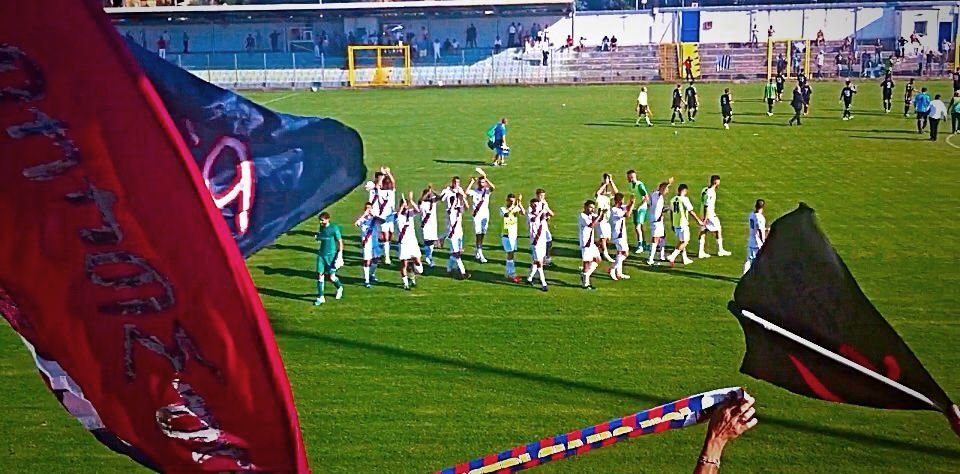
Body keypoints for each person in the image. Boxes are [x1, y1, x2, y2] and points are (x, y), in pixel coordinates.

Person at [667, 184, 704, 266]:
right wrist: (698, 220)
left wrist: (672, 223)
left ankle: (684, 258)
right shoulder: (684, 199)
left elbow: (671, 212)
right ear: (685, 191)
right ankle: (672, 256)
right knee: (685, 241)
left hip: (676, 223)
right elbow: (691, 211)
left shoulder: (673, 199)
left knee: (681, 241)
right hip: (683, 223)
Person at [440, 176, 469, 279]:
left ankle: (449, 269)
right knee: (456, 253)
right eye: (455, 182)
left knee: (457, 253)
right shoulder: (450, 211)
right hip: (452, 233)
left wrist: (462, 198)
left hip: (459, 232)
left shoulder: (459, 210)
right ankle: (463, 272)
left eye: (458, 182)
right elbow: (442, 199)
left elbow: (466, 206)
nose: (457, 184)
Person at [313, 212, 344, 306]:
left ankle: (339, 288)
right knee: (320, 274)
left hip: (331, 256)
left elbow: (340, 241)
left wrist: (340, 254)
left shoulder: (334, 228)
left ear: (327, 219)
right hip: (321, 254)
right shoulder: (321, 227)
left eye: (322, 220)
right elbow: (323, 236)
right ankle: (321, 297)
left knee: (331, 277)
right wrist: (318, 237)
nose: (320, 222)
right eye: (320, 220)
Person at [698, 175, 732, 258]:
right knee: (718, 229)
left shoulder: (704, 189)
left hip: (702, 213)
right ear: (716, 182)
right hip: (709, 215)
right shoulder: (711, 192)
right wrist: (706, 217)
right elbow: (706, 205)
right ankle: (720, 250)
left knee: (703, 231)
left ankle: (700, 251)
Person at [396, 192, 425, 290]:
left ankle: (412, 274)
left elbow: (418, 211)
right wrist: (402, 207)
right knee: (404, 263)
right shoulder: (397, 215)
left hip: (413, 242)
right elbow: (397, 215)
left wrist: (411, 201)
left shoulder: (410, 213)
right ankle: (406, 284)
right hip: (403, 243)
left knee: (418, 264)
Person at [467, 171, 496, 263]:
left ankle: (478, 250)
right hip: (477, 215)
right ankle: (480, 253)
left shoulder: (487, 192)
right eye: (480, 182)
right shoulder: (475, 192)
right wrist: (471, 182)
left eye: (483, 182)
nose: (482, 184)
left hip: (485, 214)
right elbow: (466, 192)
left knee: (483, 233)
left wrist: (486, 178)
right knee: (478, 233)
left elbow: (493, 187)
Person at [646, 178, 674, 266]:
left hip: (658, 220)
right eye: (666, 189)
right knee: (655, 239)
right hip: (656, 221)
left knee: (662, 236)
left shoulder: (657, 196)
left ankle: (662, 255)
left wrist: (666, 208)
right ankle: (650, 259)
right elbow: (662, 190)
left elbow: (658, 207)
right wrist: (668, 183)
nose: (667, 190)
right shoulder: (657, 195)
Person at [355, 202, 383, 288]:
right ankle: (366, 281)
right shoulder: (362, 219)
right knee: (367, 261)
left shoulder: (375, 218)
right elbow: (356, 224)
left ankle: (371, 274)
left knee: (376, 260)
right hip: (366, 243)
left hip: (375, 242)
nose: (368, 209)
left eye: (370, 208)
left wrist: (374, 215)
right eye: (367, 208)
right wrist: (364, 215)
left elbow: (382, 221)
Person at [608, 192, 635, 280]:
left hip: (621, 234)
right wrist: (632, 204)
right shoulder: (614, 210)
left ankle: (619, 273)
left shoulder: (620, 208)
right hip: (618, 235)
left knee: (620, 253)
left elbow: (627, 207)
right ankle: (612, 268)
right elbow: (627, 214)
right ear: (619, 201)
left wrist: (631, 202)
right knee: (625, 253)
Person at [526, 198, 549, 292]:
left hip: (542, 241)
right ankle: (543, 283)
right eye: (534, 205)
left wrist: (544, 207)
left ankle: (529, 278)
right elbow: (535, 219)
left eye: (536, 205)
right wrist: (542, 211)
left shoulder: (541, 214)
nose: (535, 207)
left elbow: (548, 216)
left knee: (538, 261)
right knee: (539, 262)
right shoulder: (530, 214)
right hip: (535, 241)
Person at [578, 200, 602, 290]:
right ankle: (586, 284)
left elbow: (599, 219)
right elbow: (591, 225)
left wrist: (602, 213)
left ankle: (585, 275)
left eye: (593, 208)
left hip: (591, 243)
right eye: (590, 207)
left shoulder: (590, 215)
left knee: (598, 259)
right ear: (585, 207)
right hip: (586, 243)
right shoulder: (582, 216)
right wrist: (599, 215)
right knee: (587, 264)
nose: (592, 209)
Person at [500, 193, 523, 282]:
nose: (511, 203)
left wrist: (519, 203)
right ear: (507, 200)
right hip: (506, 235)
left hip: (513, 235)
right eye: (510, 201)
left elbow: (523, 212)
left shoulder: (515, 208)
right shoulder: (503, 209)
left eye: (513, 201)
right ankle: (512, 274)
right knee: (510, 254)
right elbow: (507, 215)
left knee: (511, 254)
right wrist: (515, 206)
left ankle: (508, 273)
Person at [594, 174, 617, 263]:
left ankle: (596, 248)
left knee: (606, 238)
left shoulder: (608, 197)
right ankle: (605, 254)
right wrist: (605, 184)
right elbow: (597, 193)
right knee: (603, 238)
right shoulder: (599, 197)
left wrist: (611, 182)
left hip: (607, 221)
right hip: (601, 220)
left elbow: (617, 194)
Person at [625, 170, 649, 254]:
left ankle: (640, 246)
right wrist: (628, 206)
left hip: (641, 208)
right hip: (636, 208)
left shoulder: (639, 185)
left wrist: (639, 206)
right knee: (640, 226)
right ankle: (644, 243)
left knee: (637, 227)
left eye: (629, 177)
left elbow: (646, 198)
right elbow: (632, 196)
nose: (628, 179)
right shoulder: (632, 185)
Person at [418, 185, 440, 267]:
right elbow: (420, 200)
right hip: (425, 224)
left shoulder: (432, 202)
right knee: (427, 242)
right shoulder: (422, 203)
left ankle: (429, 256)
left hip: (433, 224)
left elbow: (439, 197)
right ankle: (428, 257)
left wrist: (432, 190)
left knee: (432, 242)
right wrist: (427, 193)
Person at [743, 199, 767, 275]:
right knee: (761, 260)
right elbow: (760, 230)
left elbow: (755, 227)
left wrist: (766, 229)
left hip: (751, 240)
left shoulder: (751, 214)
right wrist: (764, 241)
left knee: (749, 259)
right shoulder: (760, 218)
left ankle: (745, 274)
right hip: (758, 243)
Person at [534, 188, 556, 266]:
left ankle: (546, 259)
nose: (542, 197)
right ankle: (541, 260)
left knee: (549, 240)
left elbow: (550, 213)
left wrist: (547, 215)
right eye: (541, 196)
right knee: (541, 243)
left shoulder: (544, 203)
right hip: (538, 226)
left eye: (543, 196)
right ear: (537, 195)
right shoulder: (535, 204)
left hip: (543, 224)